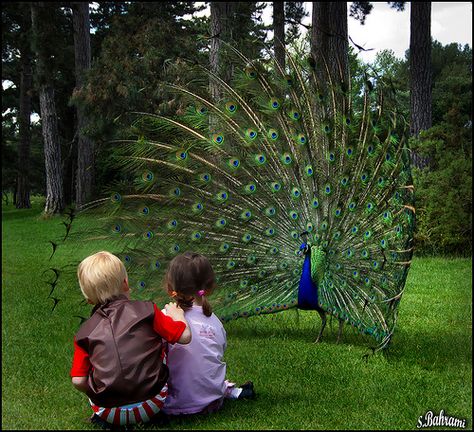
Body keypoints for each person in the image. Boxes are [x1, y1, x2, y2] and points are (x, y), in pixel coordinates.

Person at [70, 251, 191, 428]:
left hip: (107, 410)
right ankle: (152, 416)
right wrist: (178, 315)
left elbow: (78, 381)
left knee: (90, 369)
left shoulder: (84, 334)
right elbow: (184, 337)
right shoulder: (148, 310)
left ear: (89, 300)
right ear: (126, 283)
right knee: (161, 343)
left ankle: (106, 419)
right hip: (153, 402)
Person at [161, 251, 255, 416]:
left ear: (170, 288)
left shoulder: (165, 317)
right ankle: (226, 390)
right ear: (209, 287)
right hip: (212, 402)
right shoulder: (215, 323)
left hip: (173, 404)